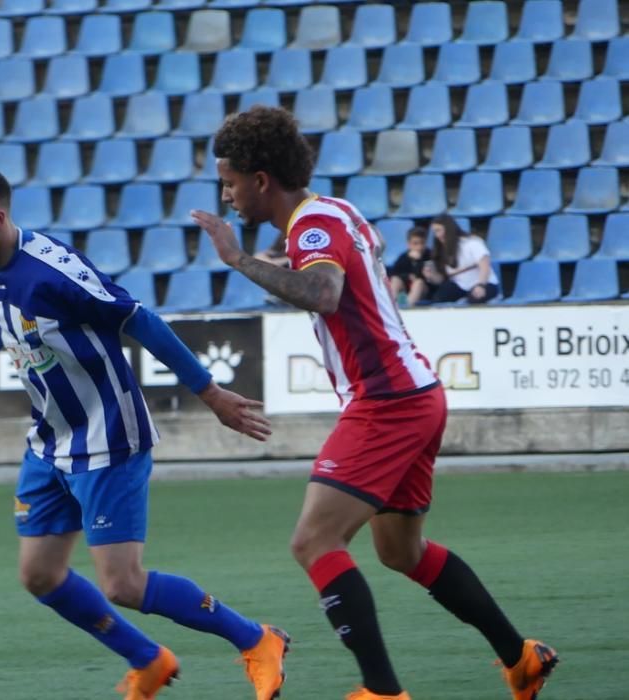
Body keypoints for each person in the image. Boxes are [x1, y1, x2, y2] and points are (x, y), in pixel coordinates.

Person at [191, 106, 558, 700]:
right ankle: (521, 658)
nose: (226, 195)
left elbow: (325, 292)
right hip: (415, 394)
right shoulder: (335, 213)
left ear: (261, 180)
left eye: (230, 182)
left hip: (386, 401)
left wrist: (237, 259)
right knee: (400, 550)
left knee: (313, 542)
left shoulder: (313, 226)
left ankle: (382, 692)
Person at [0, 165, 289, 700]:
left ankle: (257, 638)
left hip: (109, 437)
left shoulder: (56, 273)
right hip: (49, 442)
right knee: (39, 575)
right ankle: (148, 660)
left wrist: (211, 393)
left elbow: (141, 319)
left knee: (123, 584)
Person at [423, 214, 499, 304]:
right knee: (438, 298)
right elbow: (442, 279)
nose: (437, 235)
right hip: (460, 286)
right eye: (435, 232)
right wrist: (431, 276)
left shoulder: (472, 242)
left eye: (439, 230)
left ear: (449, 229)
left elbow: (485, 267)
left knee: (475, 298)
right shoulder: (440, 250)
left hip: (485, 283)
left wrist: (481, 285)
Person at [387, 227, 433, 308]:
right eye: (415, 243)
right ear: (409, 244)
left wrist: (418, 260)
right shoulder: (404, 257)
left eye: (422, 243)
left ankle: (408, 308)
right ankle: (391, 307)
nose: (419, 247)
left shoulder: (429, 255)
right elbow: (394, 273)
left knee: (419, 282)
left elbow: (424, 277)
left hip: (425, 289)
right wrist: (408, 276)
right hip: (407, 287)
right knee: (395, 280)